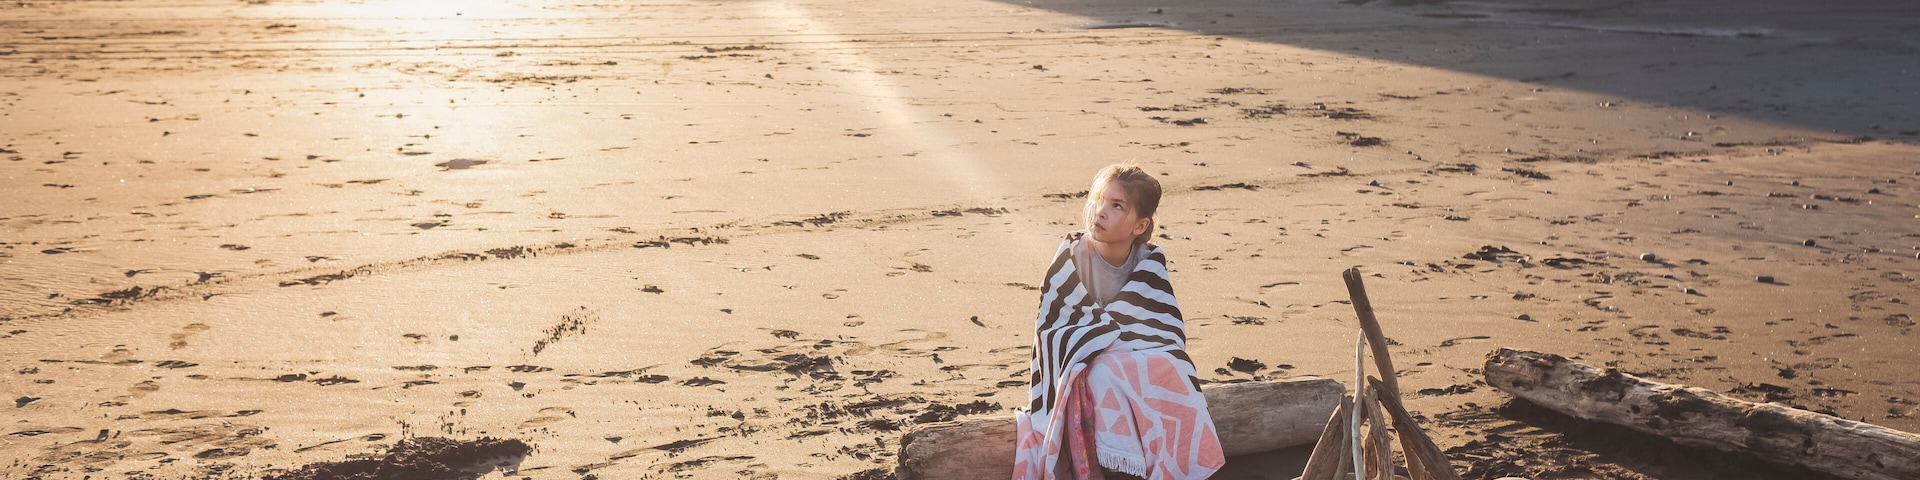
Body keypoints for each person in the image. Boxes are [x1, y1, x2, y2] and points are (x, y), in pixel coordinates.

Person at [1013, 163, 1225, 480]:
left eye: (1116, 207)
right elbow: (1052, 329)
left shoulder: (1149, 263)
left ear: (1139, 226)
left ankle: (1178, 466)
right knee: (1106, 373)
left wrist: (1123, 346)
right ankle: (1120, 469)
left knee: (1175, 366)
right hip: (1082, 364)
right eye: (1100, 200)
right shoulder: (1072, 259)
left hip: (1132, 358)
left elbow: (1164, 329)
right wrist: (1104, 340)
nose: (1100, 212)